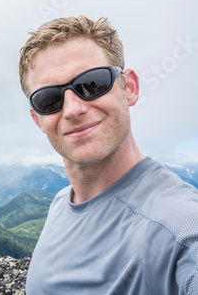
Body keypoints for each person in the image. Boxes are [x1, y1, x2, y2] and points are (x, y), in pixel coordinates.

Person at [18, 16, 198, 294]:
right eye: (49, 99)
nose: (73, 109)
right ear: (37, 119)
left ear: (130, 88)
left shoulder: (180, 226)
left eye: (92, 84)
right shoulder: (59, 204)